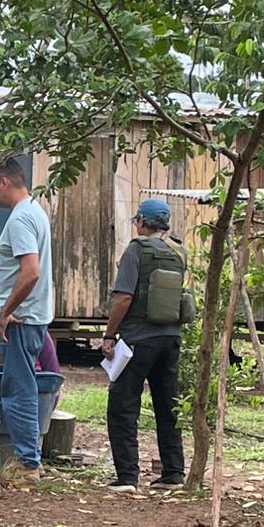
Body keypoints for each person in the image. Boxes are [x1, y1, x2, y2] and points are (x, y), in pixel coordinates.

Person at [102, 198, 188, 493]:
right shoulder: (179, 251)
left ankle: (127, 477)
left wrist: (109, 335)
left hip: (138, 339)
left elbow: (123, 297)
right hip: (171, 338)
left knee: (123, 406)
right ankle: (174, 473)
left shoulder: (135, 250)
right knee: (168, 405)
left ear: (141, 221)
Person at [0, 156, 54, 487]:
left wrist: (5, 310)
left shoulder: (20, 220)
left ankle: (27, 464)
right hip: (31, 316)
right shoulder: (35, 212)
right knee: (23, 385)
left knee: (18, 390)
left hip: (19, 319)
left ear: (4, 182)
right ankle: (31, 460)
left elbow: (31, 271)